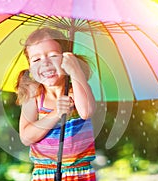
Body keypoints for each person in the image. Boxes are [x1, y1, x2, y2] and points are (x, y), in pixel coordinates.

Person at [16, 28, 97, 180]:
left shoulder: (75, 90)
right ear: (30, 68)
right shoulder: (34, 95)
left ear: (67, 58)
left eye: (53, 56)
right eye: (36, 59)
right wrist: (56, 114)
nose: (45, 63)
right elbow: (26, 137)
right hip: (45, 173)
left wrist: (76, 71)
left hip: (80, 173)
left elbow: (86, 111)